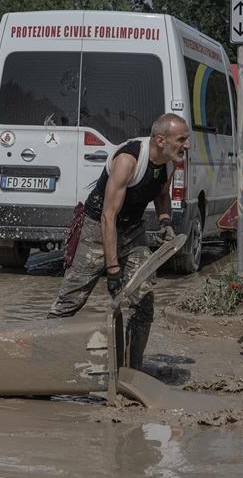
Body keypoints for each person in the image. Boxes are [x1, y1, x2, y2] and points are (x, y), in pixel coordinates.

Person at [47, 114, 190, 370]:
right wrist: (113, 270)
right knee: (71, 300)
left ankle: (130, 371)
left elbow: (161, 194)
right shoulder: (128, 160)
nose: (186, 145)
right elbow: (108, 216)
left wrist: (165, 221)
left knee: (144, 302)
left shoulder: (170, 162)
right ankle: (42, 360)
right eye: (181, 139)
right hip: (98, 229)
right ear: (160, 140)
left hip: (133, 229)